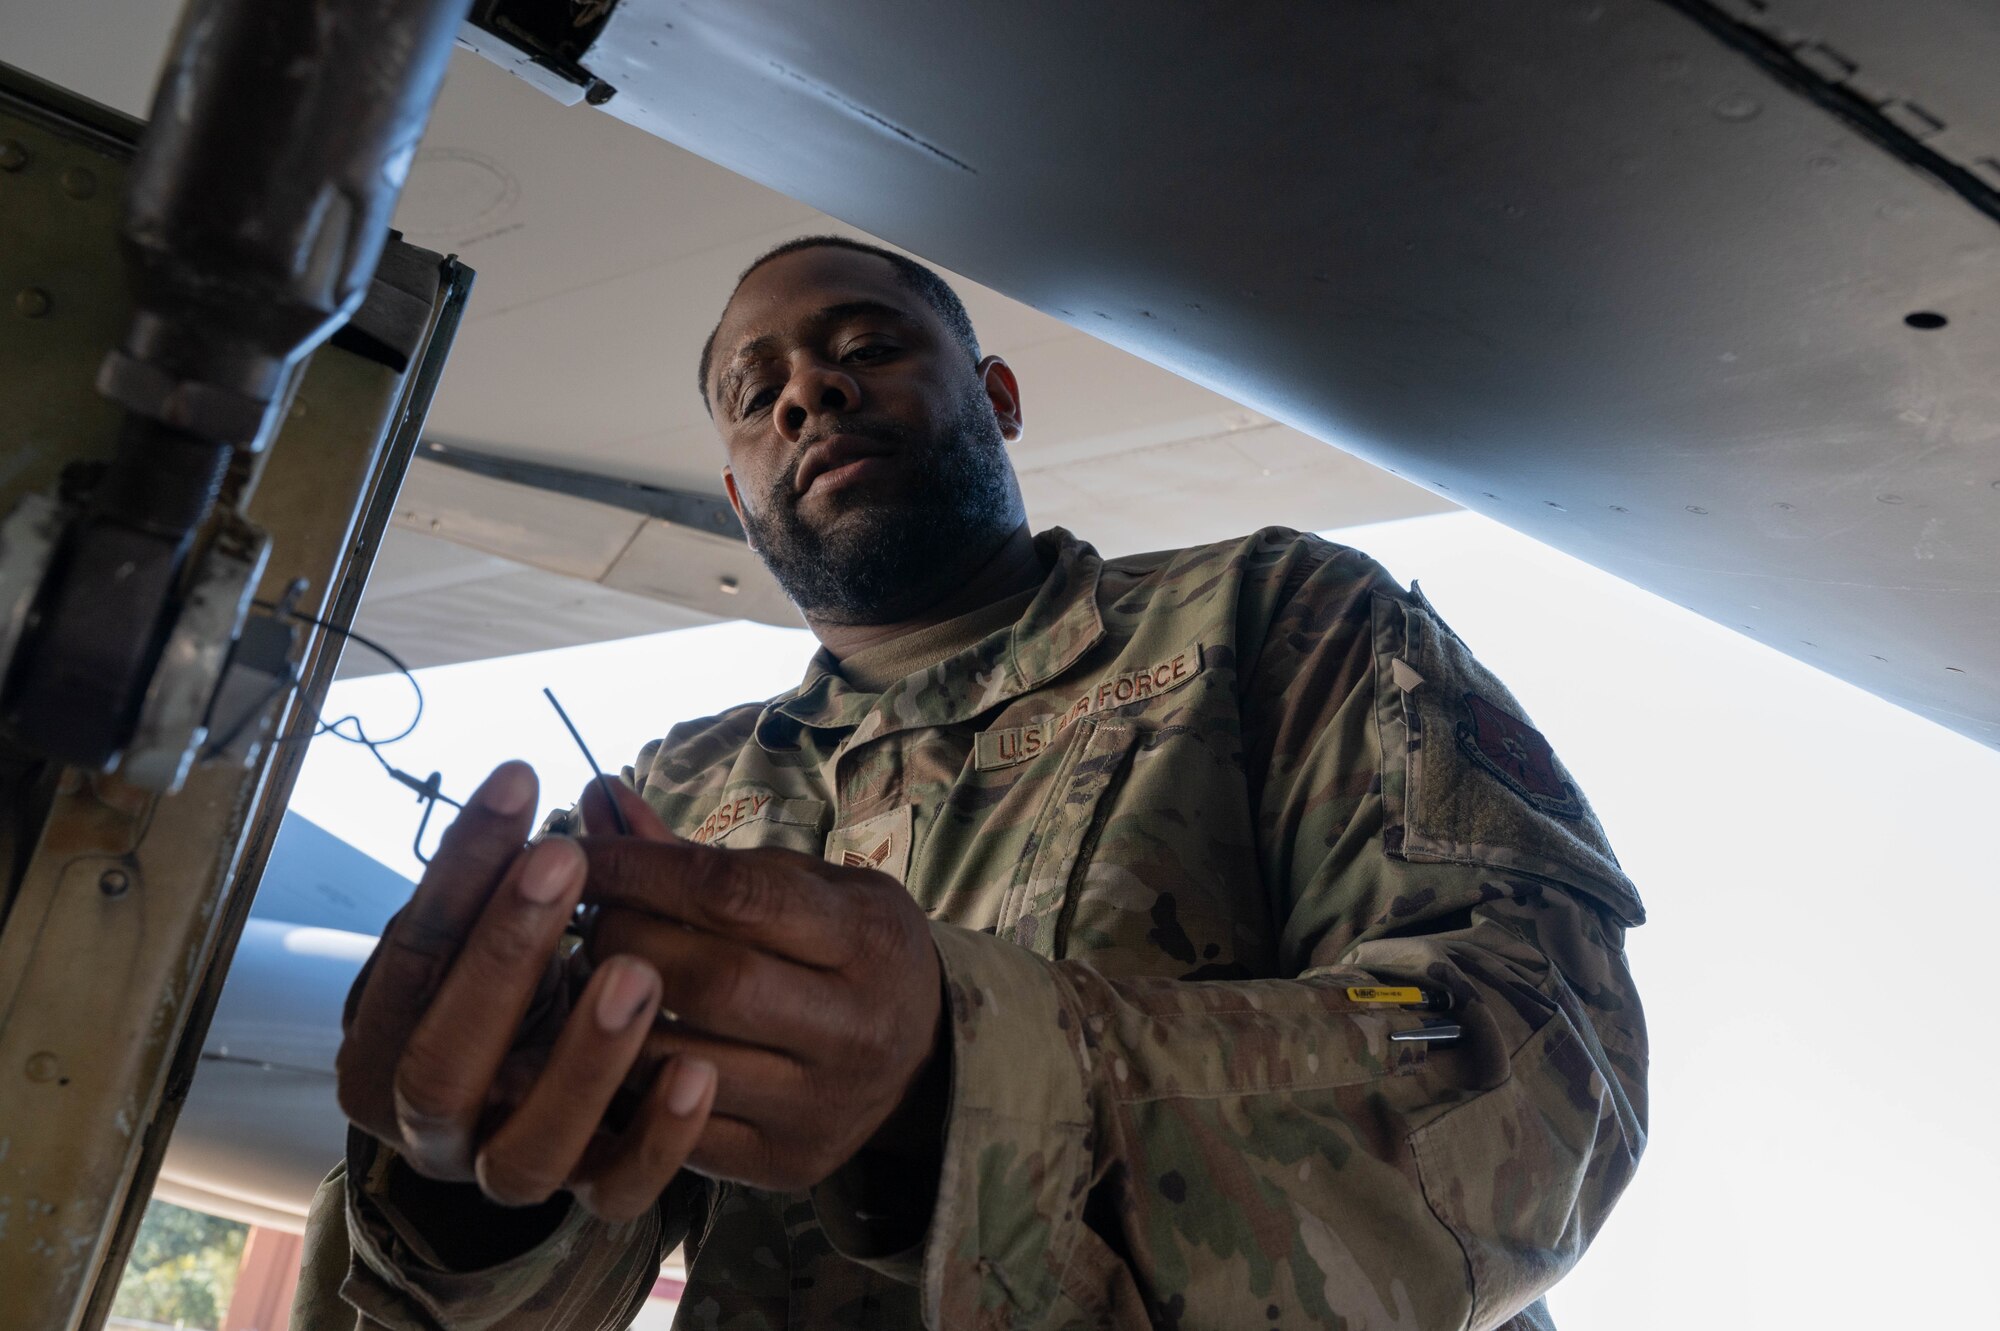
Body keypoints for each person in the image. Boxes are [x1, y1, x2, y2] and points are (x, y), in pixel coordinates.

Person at [297, 237, 1647, 1331]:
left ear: (998, 395)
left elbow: (1532, 1055)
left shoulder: (1272, 619)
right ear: (735, 492)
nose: (805, 396)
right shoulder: (684, 796)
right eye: (753, 394)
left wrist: (962, 1071)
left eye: (866, 348)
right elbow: (560, 1275)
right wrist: (476, 1193)